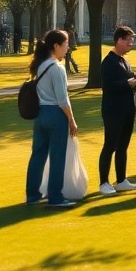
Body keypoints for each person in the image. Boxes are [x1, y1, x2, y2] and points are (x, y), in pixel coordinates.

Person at [24, 29, 79, 207]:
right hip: (56, 114)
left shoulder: (40, 65)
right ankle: (56, 197)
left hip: (41, 114)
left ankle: (32, 195)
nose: (67, 48)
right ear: (56, 46)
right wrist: (72, 120)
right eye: (66, 44)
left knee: (38, 155)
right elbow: (63, 100)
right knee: (57, 157)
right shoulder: (57, 68)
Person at [98, 26, 136, 196]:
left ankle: (121, 180)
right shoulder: (109, 62)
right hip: (113, 110)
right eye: (128, 40)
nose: (131, 44)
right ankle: (104, 182)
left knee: (123, 146)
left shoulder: (125, 61)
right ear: (119, 40)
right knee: (110, 145)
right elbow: (108, 86)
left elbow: (127, 85)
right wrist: (128, 83)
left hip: (127, 109)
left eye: (132, 40)